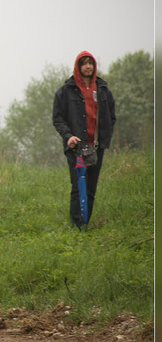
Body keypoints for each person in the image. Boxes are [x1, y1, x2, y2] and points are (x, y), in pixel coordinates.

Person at [53, 51, 116, 229]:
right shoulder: (66, 91)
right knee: (78, 186)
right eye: (84, 63)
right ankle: (77, 226)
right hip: (76, 147)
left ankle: (86, 223)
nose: (88, 66)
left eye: (91, 63)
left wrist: (105, 137)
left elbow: (112, 116)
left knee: (91, 188)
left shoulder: (103, 90)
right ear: (78, 67)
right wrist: (68, 137)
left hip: (96, 146)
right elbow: (57, 118)